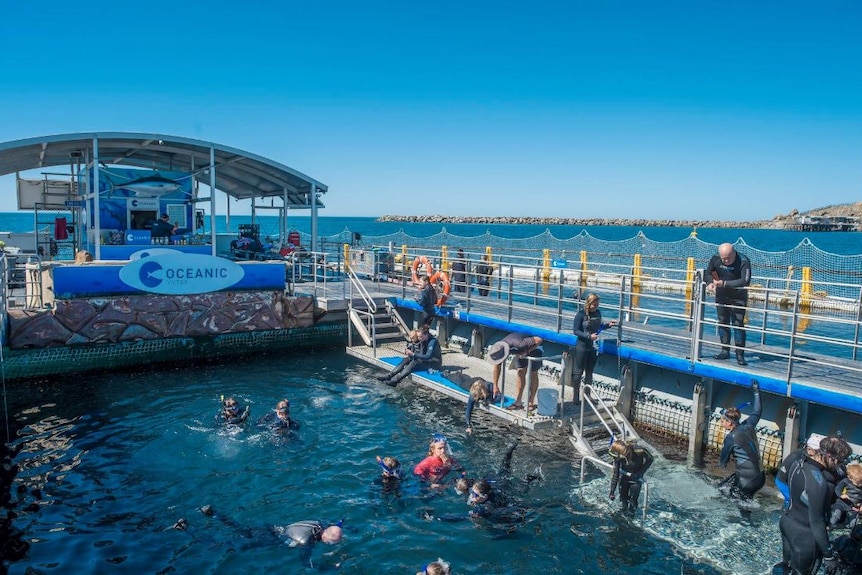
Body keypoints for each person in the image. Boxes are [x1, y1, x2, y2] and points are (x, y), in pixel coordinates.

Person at [776, 436, 848, 575]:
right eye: (839, 461)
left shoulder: (798, 463)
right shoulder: (818, 483)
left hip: (787, 523)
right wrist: (828, 556)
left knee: (787, 567)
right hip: (805, 537)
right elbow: (817, 523)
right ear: (828, 456)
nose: (840, 465)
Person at [704, 242, 752, 366]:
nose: (726, 261)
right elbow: (707, 273)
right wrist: (710, 283)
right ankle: (724, 350)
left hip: (738, 296)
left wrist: (724, 284)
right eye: (723, 258)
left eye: (728, 258)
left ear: (734, 253)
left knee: (738, 324)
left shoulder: (744, 260)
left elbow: (745, 281)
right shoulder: (715, 258)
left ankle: (740, 355)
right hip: (721, 295)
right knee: (722, 321)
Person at [717, 380, 765, 501]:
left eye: (722, 421)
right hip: (760, 477)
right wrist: (756, 391)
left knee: (740, 505)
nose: (721, 423)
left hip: (748, 480)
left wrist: (721, 465)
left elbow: (723, 462)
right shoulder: (748, 425)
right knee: (723, 488)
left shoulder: (731, 437)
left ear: (729, 422)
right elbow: (758, 411)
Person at [570, 293, 618, 403]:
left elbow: (599, 327)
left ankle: (587, 394)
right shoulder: (581, 315)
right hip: (582, 346)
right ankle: (576, 396)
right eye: (594, 304)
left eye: (597, 304)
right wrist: (588, 336)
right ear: (588, 304)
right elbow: (575, 331)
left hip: (592, 347)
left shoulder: (598, 313)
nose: (596, 306)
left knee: (589, 372)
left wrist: (608, 325)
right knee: (578, 372)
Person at [486, 333, 543, 411]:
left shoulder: (520, 344)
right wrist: (495, 386)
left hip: (535, 349)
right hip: (520, 351)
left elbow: (539, 339)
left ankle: (531, 401)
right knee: (520, 371)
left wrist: (527, 351)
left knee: (533, 373)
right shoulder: (498, 349)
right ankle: (518, 402)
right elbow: (497, 366)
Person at [376, 326, 442, 387]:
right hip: (426, 361)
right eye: (418, 337)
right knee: (406, 359)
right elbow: (420, 353)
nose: (419, 338)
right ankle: (389, 375)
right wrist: (410, 352)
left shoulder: (432, 342)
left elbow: (428, 356)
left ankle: (396, 380)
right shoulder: (423, 340)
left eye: (420, 337)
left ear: (426, 335)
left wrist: (414, 354)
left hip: (434, 364)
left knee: (415, 362)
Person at [776, 433, 826, 509]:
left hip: (797, 483)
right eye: (818, 452)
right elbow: (781, 477)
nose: (820, 455)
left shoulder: (812, 458)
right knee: (792, 503)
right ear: (809, 449)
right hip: (783, 482)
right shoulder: (796, 456)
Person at [608, 439, 654, 514]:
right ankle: (624, 512)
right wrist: (612, 492)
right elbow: (616, 474)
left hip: (636, 479)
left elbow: (651, 459)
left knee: (633, 501)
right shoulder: (617, 456)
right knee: (623, 499)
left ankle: (632, 514)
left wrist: (640, 473)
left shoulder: (639, 450)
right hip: (624, 477)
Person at [830, 463, 862, 527]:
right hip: (842, 503)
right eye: (858, 482)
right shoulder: (846, 481)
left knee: (854, 522)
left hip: (853, 507)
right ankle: (830, 525)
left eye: (861, 482)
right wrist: (841, 495)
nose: (860, 484)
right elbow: (837, 489)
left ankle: (850, 528)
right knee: (837, 514)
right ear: (850, 478)